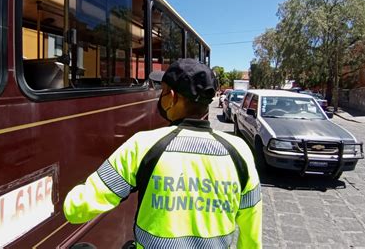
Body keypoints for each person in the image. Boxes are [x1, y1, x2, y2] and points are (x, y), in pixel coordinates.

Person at [63, 58, 262, 248]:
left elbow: (77, 209)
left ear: (173, 97)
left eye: (163, 91)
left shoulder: (143, 145)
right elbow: (251, 235)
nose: (161, 97)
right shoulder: (240, 152)